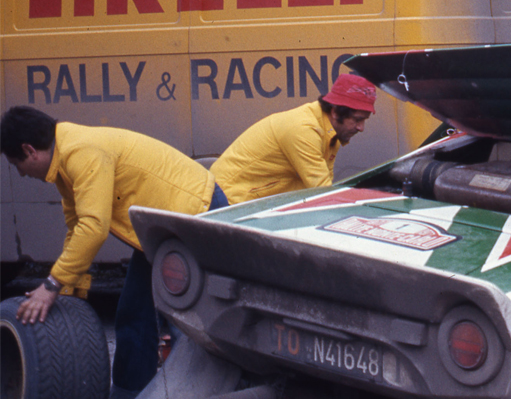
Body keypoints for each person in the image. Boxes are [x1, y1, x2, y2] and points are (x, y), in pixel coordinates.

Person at [1, 106, 229, 399]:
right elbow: (76, 227)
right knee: (135, 315)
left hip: (195, 214)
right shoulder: (64, 164)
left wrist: (51, 285)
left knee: (187, 321)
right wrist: (70, 290)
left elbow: (94, 227)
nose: (20, 174)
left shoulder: (81, 152)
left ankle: (200, 392)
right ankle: (128, 392)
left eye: (16, 164)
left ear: (29, 150)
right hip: (161, 229)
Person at [211, 73, 376, 204]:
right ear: (335, 112)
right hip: (228, 201)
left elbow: (320, 192)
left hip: (249, 203)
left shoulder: (329, 132)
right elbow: (323, 194)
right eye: (357, 119)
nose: (361, 128)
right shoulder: (304, 130)